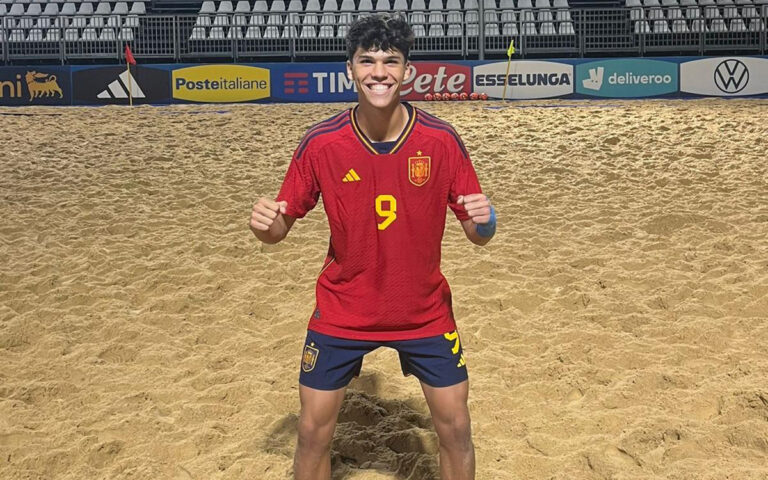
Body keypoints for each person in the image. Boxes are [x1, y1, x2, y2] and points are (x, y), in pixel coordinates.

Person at [249, 13, 496, 480]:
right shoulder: (321, 143)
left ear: (407, 71)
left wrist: (488, 219)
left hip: (423, 312)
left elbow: (478, 235)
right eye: (367, 61)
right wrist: (266, 224)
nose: (378, 71)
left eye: (390, 61)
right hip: (345, 309)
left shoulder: (441, 141)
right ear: (350, 68)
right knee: (311, 433)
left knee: (457, 429)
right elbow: (279, 229)